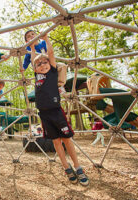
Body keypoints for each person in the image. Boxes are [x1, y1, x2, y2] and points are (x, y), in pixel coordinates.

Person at [33, 34, 89, 186]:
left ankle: (78, 167)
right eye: (39, 64)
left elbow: (50, 54)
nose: (43, 65)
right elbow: (34, 58)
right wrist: (32, 47)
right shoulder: (37, 76)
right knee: (56, 142)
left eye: (45, 62)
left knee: (66, 139)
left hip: (56, 111)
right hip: (44, 114)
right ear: (35, 69)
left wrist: (46, 39)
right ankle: (67, 168)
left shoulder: (52, 73)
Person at [22, 30, 67, 94]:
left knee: (62, 66)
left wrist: (46, 39)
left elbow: (50, 52)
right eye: (29, 36)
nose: (31, 36)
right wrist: (23, 68)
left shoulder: (43, 43)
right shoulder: (28, 49)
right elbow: (26, 61)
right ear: (26, 42)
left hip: (48, 64)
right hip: (39, 67)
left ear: (37, 36)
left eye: (33, 34)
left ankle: (59, 86)